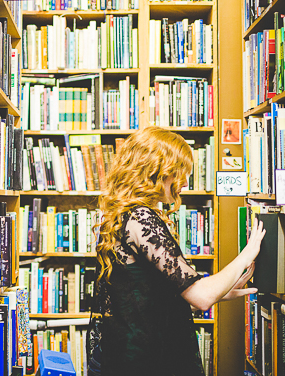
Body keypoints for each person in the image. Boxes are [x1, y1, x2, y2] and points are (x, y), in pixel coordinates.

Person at [93, 126, 265, 375]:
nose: (185, 182)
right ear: (155, 172)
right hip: (146, 360)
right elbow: (201, 297)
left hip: (125, 353)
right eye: (179, 173)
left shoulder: (121, 215)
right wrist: (248, 253)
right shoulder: (142, 218)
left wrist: (223, 290)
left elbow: (142, 298)